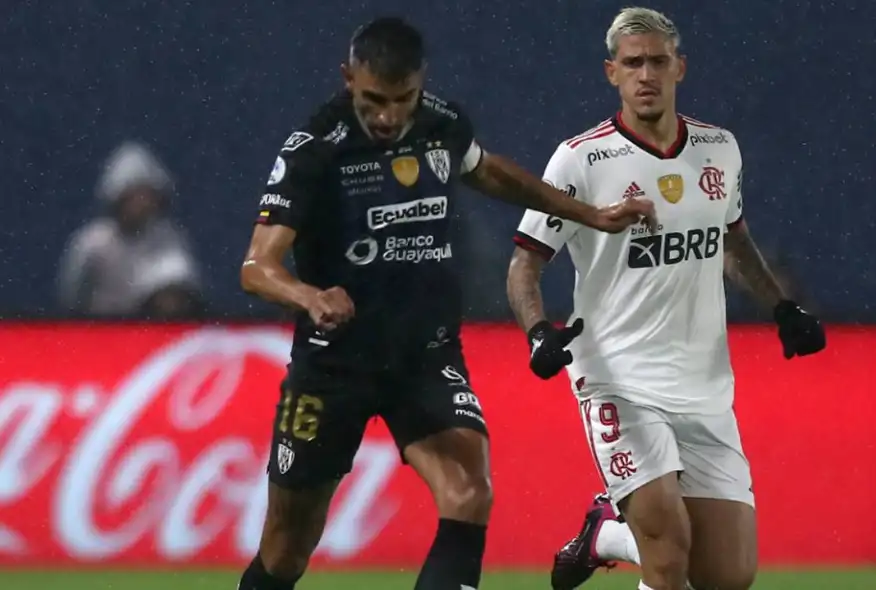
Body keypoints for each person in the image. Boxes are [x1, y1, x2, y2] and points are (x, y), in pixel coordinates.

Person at [236, 16, 655, 590]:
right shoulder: (315, 148)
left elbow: (490, 173)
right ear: (347, 78)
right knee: (286, 551)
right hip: (333, 367)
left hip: (424, 354)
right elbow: (256, 267)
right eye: (373, 100)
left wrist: (587, 213)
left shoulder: (441, 122)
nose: (386, 116)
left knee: (469, 488)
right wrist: (307, 294)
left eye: (401, 99)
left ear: (421, 82)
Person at [506, 7, 826, 590]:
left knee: (727, 575)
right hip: (616, 378)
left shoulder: (719, 150)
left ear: (680, 67)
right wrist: (536, 332)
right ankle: (628, 533)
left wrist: (782, 307)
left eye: (657, 61)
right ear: (612, 73)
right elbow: (524, 265)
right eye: (632, 63)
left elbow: (733, 242)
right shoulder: (579, 160)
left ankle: (605, 531)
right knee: (669, 550)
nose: (645, 74)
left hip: (704, 386)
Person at [56, 140, 203, 318]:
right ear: (118, 196)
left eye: (147, 195)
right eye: (135, 196)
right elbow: (71, 298)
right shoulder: (91, 242)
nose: (142, 203)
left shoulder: (169, 238)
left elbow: (180, 292)